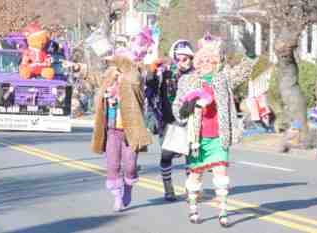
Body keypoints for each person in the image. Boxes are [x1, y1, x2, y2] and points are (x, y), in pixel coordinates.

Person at [172, 33, 257, 226]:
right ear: (197, 62)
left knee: (221, 175)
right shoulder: (187, 82)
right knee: (196, 174)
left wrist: (251, 55)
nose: (206, 63)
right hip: (197, 138)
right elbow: (177, 107)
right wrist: (186, 108)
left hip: (219, 135)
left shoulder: (223, 78)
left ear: (215, 61)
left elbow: (241, 72)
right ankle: (193, 209)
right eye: (202, 60)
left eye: (209, 60)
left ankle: (223, 212)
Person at [91, 54, 153, 212]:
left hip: (130, 132)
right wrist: (78, 68)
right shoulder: (111, 77)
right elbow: (96, 77)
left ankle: (129, 186)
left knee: (131, 166)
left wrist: (119, 61)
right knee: (112, 165)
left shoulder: (134, 79)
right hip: (112, 130)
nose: (116, 74)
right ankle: (117, 197)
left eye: (119, 70)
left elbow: (132, 75)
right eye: (115, 72)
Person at [145, 40, 195, 201]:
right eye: (179, 59)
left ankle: (190, 188)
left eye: (185, 59)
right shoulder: (165, 72)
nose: (182, 62)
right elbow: (150, 87)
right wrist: (152, 70)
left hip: (190, 120)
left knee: (190, 157)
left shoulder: (196, 75)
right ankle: (168, 188)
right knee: (166, 155)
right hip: (168, 120)